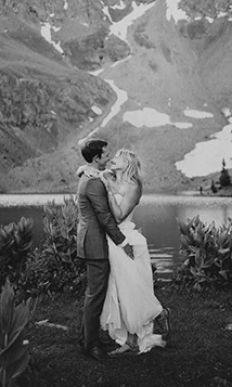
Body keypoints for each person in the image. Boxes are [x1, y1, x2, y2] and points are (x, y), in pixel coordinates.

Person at [79, 148, 170, 355]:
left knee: (132, 288)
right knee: (119, 291)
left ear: (127, 162)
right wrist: (84, 170)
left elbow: (119, 216)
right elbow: (90, 171)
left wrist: (108, 193)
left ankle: (158, 314)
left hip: (126, 239)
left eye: (117, 157)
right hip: (111, 241)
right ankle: (128, 340)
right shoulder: (110, 177)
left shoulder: (134, 185)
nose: (112, 159)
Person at [76, 139, 135, 361]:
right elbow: (104, 217)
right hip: (94, 244)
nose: (108, 156)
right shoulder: (92, 183)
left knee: (94, 292)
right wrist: (122, 242)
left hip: (90, 241)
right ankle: (90, 346)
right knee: (95, 295)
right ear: (96, 158)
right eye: (104, 154)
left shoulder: (88, 176)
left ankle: (87, 337)